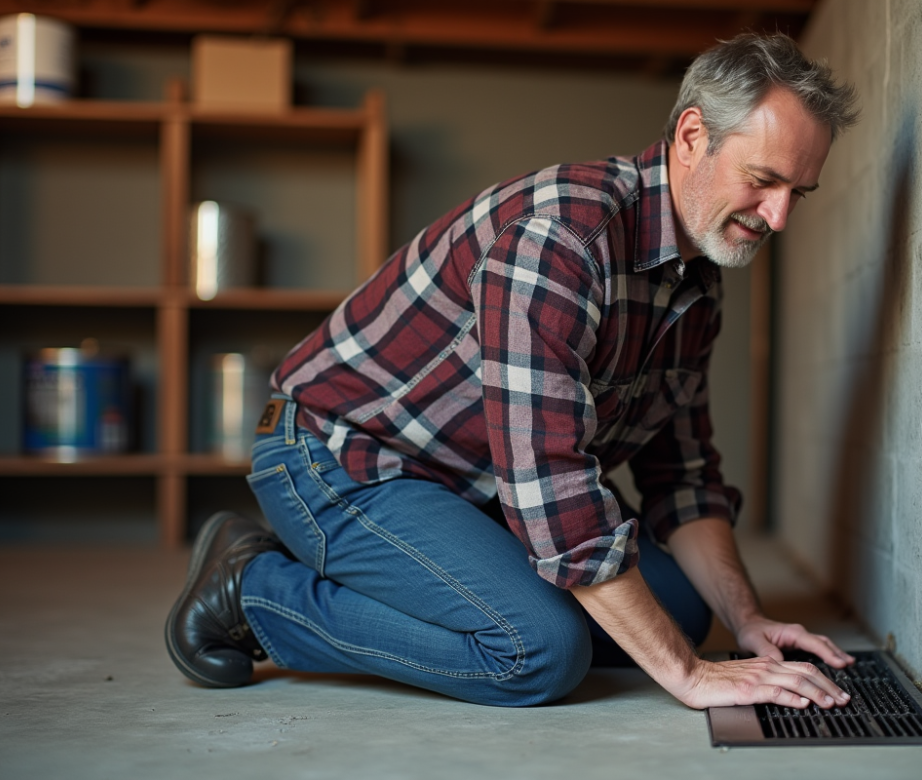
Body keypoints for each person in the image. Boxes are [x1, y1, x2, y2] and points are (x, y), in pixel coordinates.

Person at [166, 32, 859, 710]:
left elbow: (682, 476)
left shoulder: (698, 282)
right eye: (764, 181)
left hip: (471, 476)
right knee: (538, 651)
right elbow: (550, 482)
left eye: (799, 192)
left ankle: (451, 581)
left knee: (682, 611)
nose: (779, 217)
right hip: (340, 454)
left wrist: (746, 622)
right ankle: (253, 589)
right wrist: (689, 677)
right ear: (689, 136)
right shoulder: (562, 237)